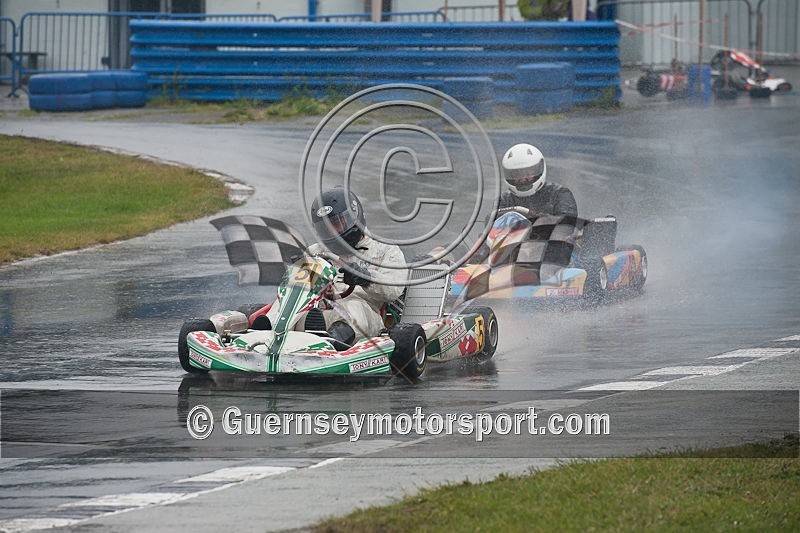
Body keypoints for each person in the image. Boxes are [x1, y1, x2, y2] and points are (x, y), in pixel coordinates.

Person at [267, 187, 405, 345]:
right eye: (325, 228)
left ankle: (332, 341)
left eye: (336, 224)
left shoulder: (385, 250)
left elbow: (394, 289)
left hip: (363, 317)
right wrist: (296, 271)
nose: (331, 232)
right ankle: (266, 330)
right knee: (286, 303)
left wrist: (365, 278)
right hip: (317, 310)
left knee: (354, 307)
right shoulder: (314, 251)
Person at [498, 143, 578, 217]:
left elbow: (568, 222)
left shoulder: (559, 194)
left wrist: (539, 219)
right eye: (516, 174)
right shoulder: (504, 199)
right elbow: (493, 222)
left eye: (528, 173)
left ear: (539, 169)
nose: (523, 178)